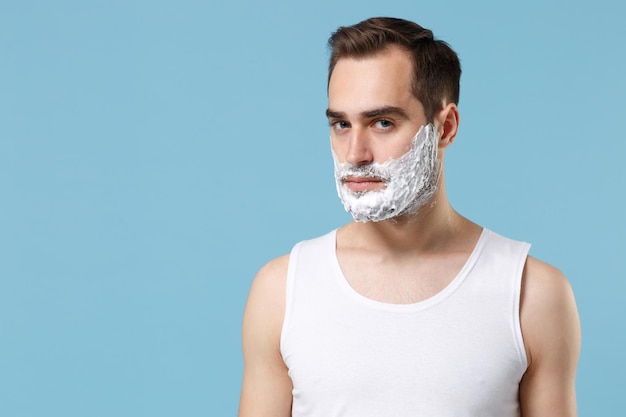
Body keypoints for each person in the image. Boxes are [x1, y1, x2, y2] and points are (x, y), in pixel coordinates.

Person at [238, 17, 580, 417]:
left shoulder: (532, 294)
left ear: (446, 127)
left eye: (383, 123)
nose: (354, 154)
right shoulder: (281, 291)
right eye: (341, 124)